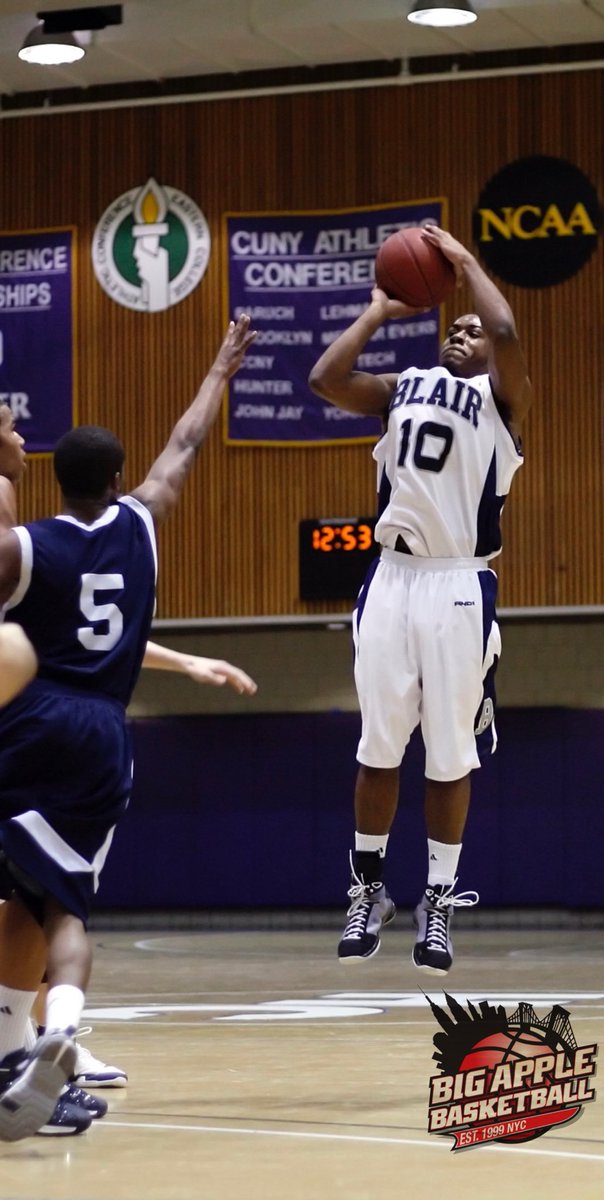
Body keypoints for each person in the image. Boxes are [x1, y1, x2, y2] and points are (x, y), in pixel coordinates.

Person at [0, 313, 256, 1141]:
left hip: (25, 723)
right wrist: (221, 365)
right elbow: (183, 445)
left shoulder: (25, 549)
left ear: (50, 477)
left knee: (21, 900)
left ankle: (20, 1047)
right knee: (63, 908)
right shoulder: (141, 523)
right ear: (115, 477)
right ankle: (59, 1031)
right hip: (102, 734)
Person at [308, 225, 533, 978]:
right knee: (378, 748)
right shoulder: (402, 388)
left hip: (459, 583)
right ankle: (367, 889)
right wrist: (377, 310)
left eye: (472, 330)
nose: (465, 333)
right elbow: (324, 380)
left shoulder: (502, 400)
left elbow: (502, 325)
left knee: (448, 754)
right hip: (390, 579)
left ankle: (438, 899)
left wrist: (466, 265)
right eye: (454, 326)